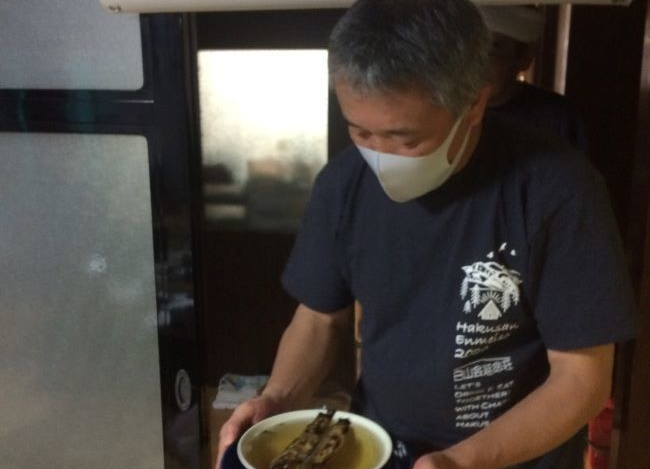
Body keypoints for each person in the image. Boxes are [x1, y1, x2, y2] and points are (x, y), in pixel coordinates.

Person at [217, 1, 637, 468]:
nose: (380, 156)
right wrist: (277, 398)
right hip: (382, 447)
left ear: (473, 104)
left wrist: (460, 461)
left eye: (406, 139)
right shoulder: (343, 183)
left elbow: (581, 378)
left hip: (513, 456)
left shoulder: (556, 189)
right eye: (361, 132)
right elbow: (319, 318)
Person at [480, 5, 588, 151]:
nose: (476, 63)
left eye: (493, 50)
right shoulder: (451, 110)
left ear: (525, 57)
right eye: (469, 50)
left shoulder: (556, 117)